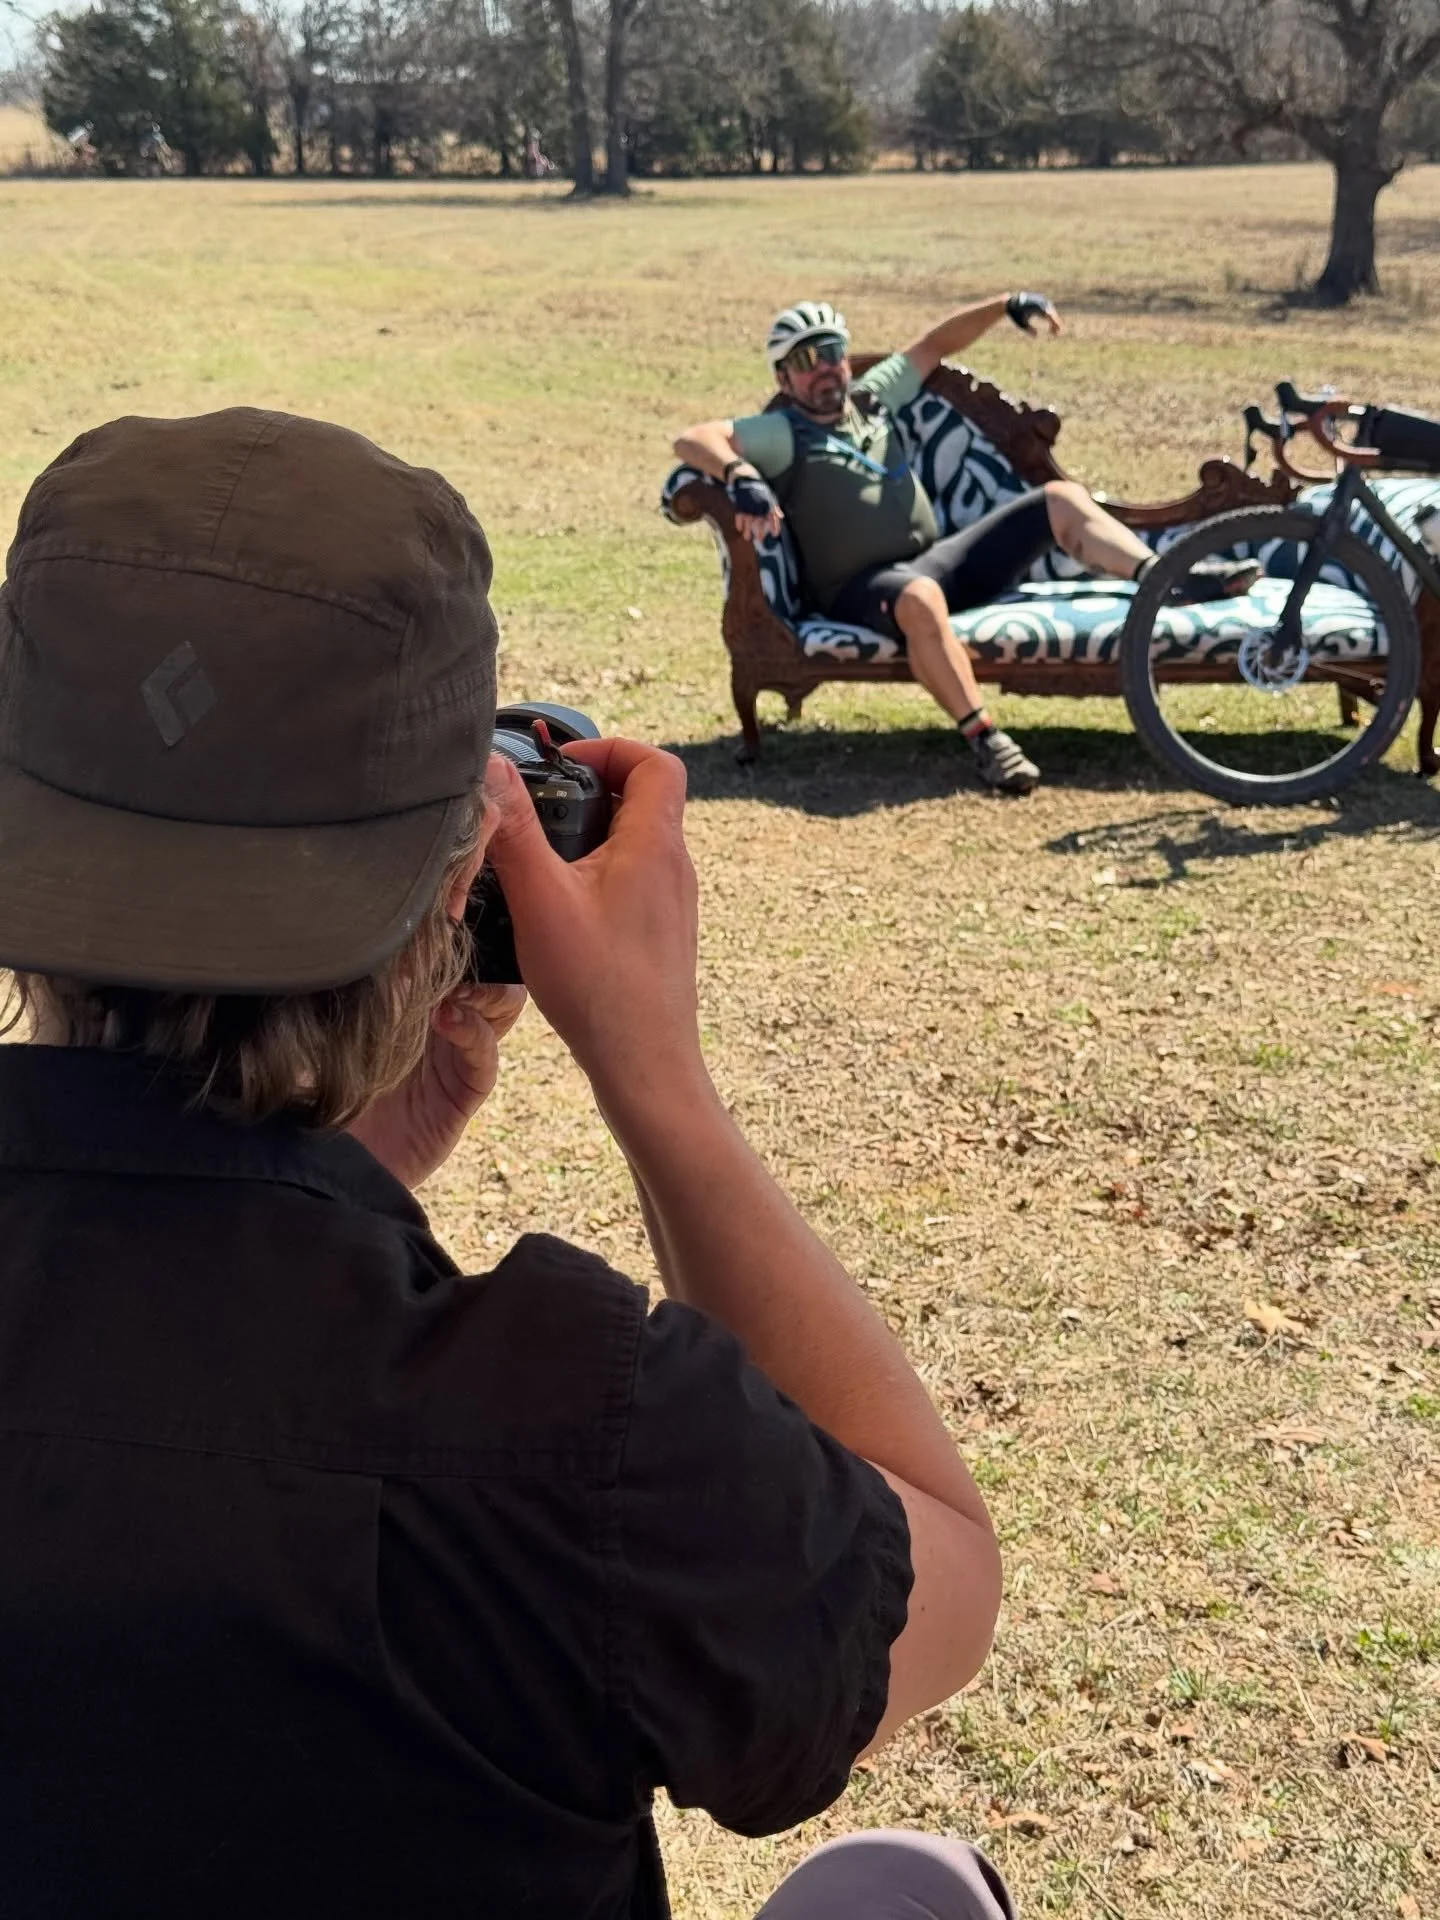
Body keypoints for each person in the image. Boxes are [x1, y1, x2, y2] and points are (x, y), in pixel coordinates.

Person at [0, 408, 1010, 1919]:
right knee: (909, 1897)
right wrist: (658, 1084)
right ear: (471, 881)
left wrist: (356, 1160)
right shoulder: (576, 1429)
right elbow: (941, 1583)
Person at [674, 297, 1260, 795]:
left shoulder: (874, 400)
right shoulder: (783, 432)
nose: (822, 369)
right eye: (804, 362)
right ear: (783, 379)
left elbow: (935, 345)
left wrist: (1007, 304)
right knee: (921, 597)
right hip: (860, 591)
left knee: (1058, 497)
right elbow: (693, 438)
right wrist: (741, 476)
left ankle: (1166, 578)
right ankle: (987, 741)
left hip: (938, 563)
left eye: (830, 353)